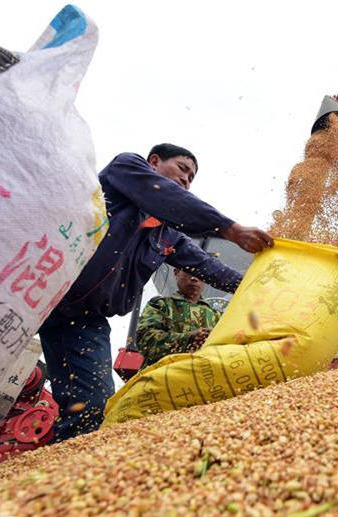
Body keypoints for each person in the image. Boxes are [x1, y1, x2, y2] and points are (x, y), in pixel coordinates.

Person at [39, 143, 273, 441]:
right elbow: (163, 195)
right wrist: (229, 229)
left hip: (83, 320)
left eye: (192, 178)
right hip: (40, 289)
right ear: (154, 161)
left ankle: (59, 475)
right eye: (182, 169)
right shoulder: (125, 170)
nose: (187, 180)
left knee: (92, 410)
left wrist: (263, 287)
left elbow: (210, 268)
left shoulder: (167, 235)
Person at [136, 268, 221, 368]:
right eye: (188, 272)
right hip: (162, 377)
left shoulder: (217, 317)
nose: (194, 278)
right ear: (176, 273)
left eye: (200, 273)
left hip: (202, 378)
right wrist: (188, 339)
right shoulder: (161, 305)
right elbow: (145, 341)